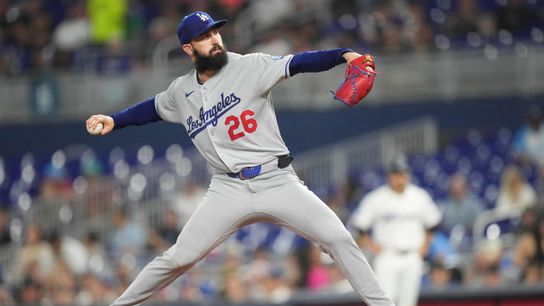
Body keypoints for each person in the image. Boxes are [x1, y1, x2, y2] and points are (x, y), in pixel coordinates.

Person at [86, 11, 393, 306]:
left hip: (276, 180)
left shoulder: (250, 65)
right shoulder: (181, 91)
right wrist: (115, 120)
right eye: (204, 37)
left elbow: (298, 63)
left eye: (215, 32)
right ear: (188, 48)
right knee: (178, 257)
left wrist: (344, 55)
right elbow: (152, 108)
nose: (215, 39)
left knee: (338, 238)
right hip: (226, 190)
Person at [349, 154, 441, 306]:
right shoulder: (377, 198)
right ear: (389, 176)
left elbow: (433, 223)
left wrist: (425, 246)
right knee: (385, 301)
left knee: (408, 302)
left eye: (403, 173)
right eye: (396, 174)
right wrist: (372, 246)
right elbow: (359, 226)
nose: (400, 178)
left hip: (412, 255)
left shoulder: (419, 196)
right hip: (387, 257)